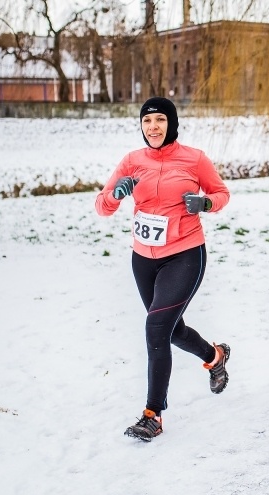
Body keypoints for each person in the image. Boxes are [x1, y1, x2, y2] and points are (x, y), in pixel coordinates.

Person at [95, 97, 231, 442]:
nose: (153, 127)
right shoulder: (132, 160)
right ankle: (215, 357)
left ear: (171, 123)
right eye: (147, 121)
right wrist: (116, 194)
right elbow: (102, 206)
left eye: (159, 120)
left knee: (156, 327)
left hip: (185, 253)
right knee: (169, 329)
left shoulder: (194, 158)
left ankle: (152, 414)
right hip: (143, 257)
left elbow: (221, 193)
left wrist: (205, 203)